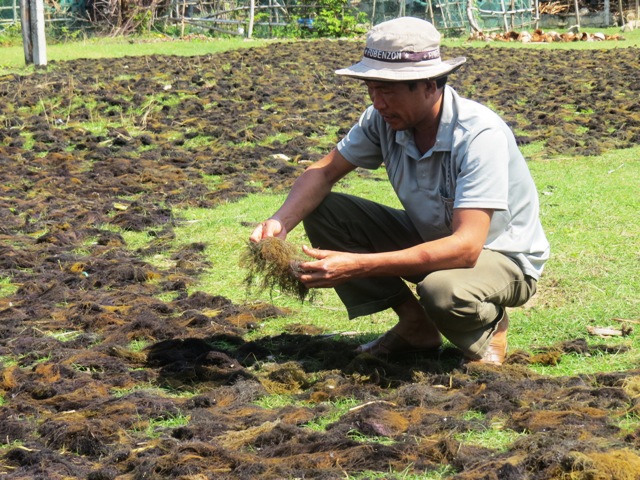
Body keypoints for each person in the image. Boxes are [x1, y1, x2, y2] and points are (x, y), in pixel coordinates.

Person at [250, 17, 550, 365]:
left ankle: (488, 325)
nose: (377, 103)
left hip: (498, 256)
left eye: (387, 90)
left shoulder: (478, 135)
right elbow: (324, 171)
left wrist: (358, 266)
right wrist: (280, 221)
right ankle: (415, 325)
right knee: (322, 210)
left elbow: (467, 248)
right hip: (432, 239)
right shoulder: (382, 120)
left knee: (443, 291)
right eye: (371, 89)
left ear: (428, 85)